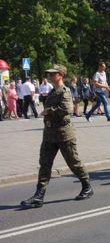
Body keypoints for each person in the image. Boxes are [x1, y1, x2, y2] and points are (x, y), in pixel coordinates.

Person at [20, 64, 93, 209]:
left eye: (53, 74)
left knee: (74, 162)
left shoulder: (64, 91)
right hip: (49, 134)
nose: (50, 76)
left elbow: (68, 109)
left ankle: (87, 186)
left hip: (64, 134)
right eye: (49, 74)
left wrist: (49, 111)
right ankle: (39, 196)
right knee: (45, 164)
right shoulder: (53, 91)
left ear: (60, 75)